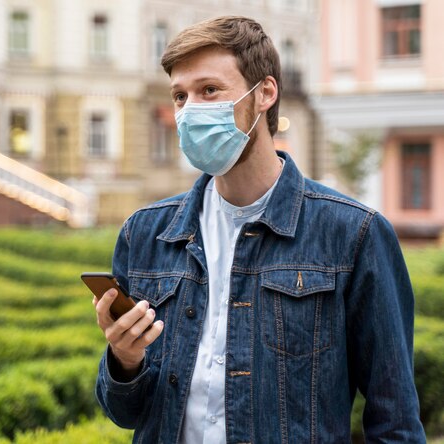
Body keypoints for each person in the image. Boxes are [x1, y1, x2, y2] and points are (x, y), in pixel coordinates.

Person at [93, 15, 426, 443]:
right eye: (180, 96)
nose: (191, 110)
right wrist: (124, 359)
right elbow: (125, 413)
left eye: (209, 90)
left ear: (265, 93)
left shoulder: (354, 234)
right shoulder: (145, 232)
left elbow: (395, 421)